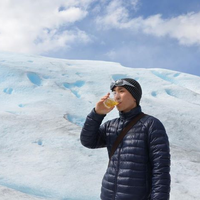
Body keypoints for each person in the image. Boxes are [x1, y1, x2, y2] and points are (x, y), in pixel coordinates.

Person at [80, 78, 171, 200]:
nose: (116, 96)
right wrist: (97, 114)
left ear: (134, 96)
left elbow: (161, 169)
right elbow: (88, 141)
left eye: (121, 91)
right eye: (114, 92)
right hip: (108, 195)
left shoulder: (151, 124)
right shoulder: (110, 125)